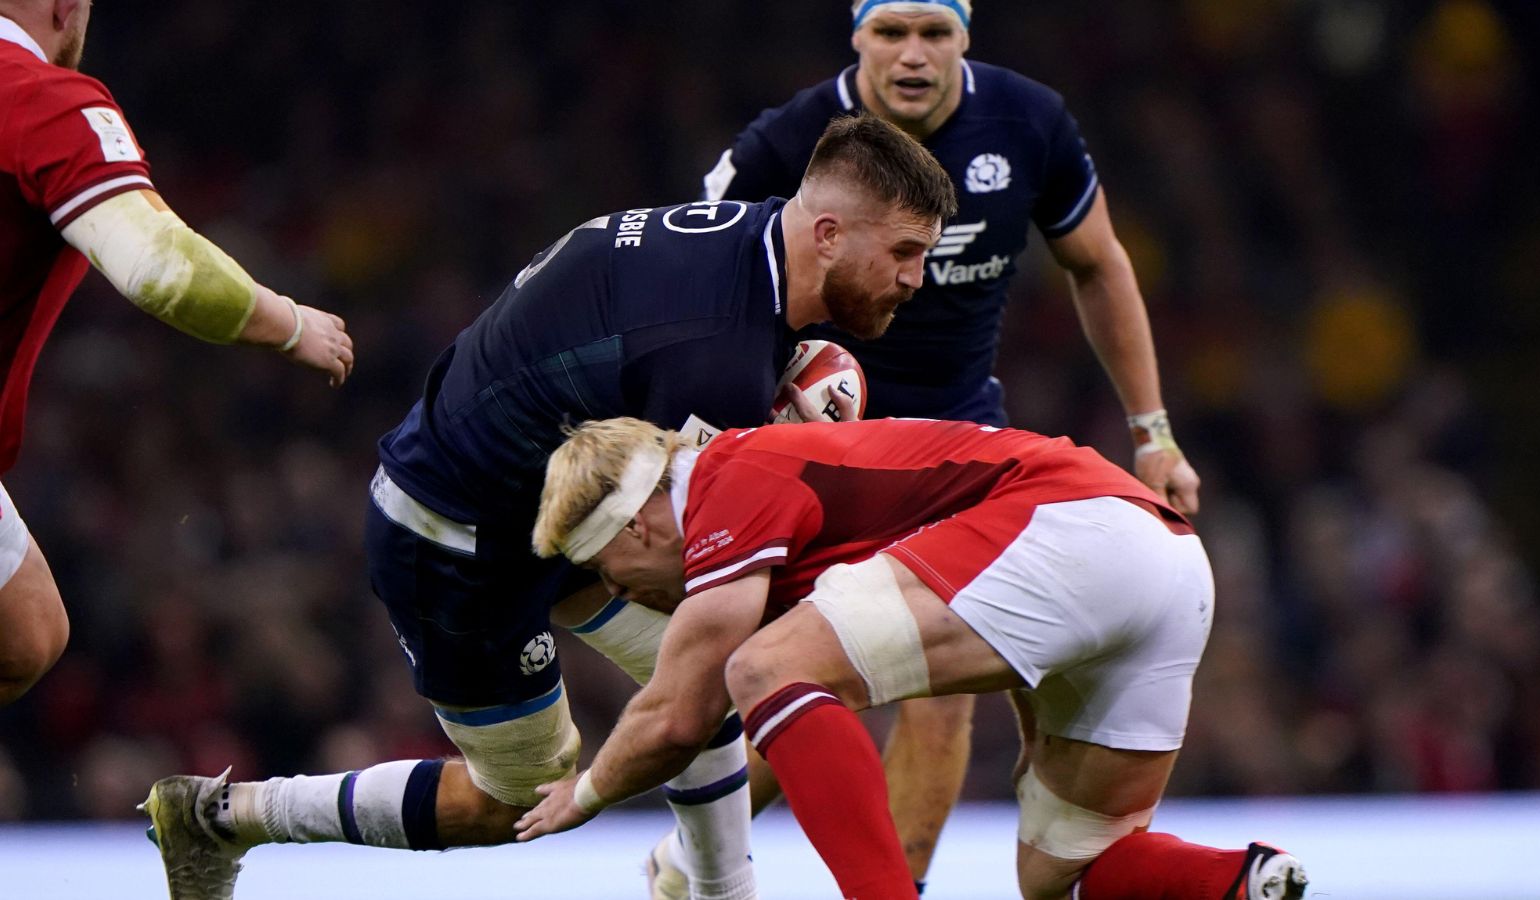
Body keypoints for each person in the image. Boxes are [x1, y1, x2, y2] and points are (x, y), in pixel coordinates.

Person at [141, 114, 957, 900]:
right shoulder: (710, 359)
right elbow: (688, 562)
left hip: (563, 505)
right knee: (517, 795)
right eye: (905, 253)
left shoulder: (751, 242)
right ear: (827, 235)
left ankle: (705, 889)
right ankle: (222, 817)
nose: (917, 280)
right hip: (459, 543)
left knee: (713, 673)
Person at [696, 1, 1202, 887]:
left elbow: (1098, 263)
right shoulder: (790, 139)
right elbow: (699, 269)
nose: (914, 55)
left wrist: (1153, 433)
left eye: (936, 32)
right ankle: (695, 860)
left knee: (935, 697)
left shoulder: (1028, 121)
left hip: (966, 444)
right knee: (783, 670)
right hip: (826, 454)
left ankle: (893, 885)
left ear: (968, 36)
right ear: (856, 36)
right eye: (891, 32)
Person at [518, 416, 1307, 900]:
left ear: (634, 531)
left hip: (1076, 533)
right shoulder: (773, 472)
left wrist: (581, 796)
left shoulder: (725, 480)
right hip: (1166, 562)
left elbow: (679, 713)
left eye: (623, 582)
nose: (647, 601)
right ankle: (1241, 881)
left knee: (760, 667)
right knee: (1063, 874)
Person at [0, 0, 353, 707]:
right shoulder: (39, 99)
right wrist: (288, 323)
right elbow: (160, 266)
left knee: (26, 632)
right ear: (66, 8)